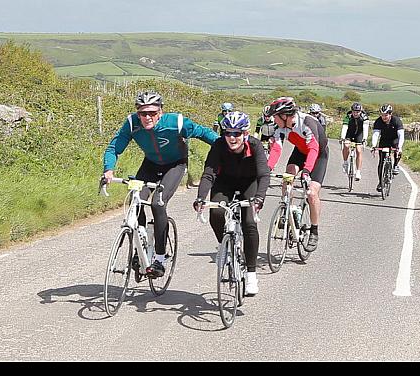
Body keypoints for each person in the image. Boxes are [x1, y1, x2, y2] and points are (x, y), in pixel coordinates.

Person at [103, 90, 219, 277]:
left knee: (158, 203)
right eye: (143, 113)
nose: (147, 117)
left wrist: (227, 149)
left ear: (160, 112)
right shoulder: (132, 124)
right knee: (137, 201)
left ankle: (159, 257)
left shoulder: (176, 123)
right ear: (137, 113)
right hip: (150, 164)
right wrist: (108, 170)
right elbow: (114, 147)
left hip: (175, 165)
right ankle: (139, 250)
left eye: (152, 113)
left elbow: (204, 133)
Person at [193, 111, 270, 296]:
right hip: (224, 183)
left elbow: (263, 175)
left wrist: (259, 198)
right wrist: (201, 197)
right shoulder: (219, 145)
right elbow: (209, 174)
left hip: (249, 184)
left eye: (237, 133)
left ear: (245, 133)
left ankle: (251, 274)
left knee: (250, 223)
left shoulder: (255, 145)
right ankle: (225, 246)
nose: (232, 137)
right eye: (228, 133)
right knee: (217, 213)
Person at [265, 97, 328, 252]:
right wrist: (268, 168)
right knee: (288, 176)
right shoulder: (281, 128)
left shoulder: (306, 122)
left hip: (318, 155)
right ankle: (287, 209)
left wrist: (306, 171)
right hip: (300, 152)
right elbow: (276, 149)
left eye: (275, 116)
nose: (274, 120)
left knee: (312, 193)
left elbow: (313, 149)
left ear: (285, 116)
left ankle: (314, 230)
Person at [371, 104, 404, 192]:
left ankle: (396, 165)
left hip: (394, 139)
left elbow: (401, 135)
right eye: (382, 115)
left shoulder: (396, 120)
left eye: (386, 115)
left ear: (390, 114)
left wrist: (399, 148)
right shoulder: (378, 121)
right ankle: (380, 182)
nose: (384, 117)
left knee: (397, 149)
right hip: (384, 140)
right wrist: (374, 145)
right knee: (381, 162)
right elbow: (376, 134)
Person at [340, 102, 370, 180]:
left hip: (359, 134)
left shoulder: (364, 117)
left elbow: (365, 128)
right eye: (354, 112)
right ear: (351, 111)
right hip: (349, 133)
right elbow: (345, 127)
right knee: (346, 146)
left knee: (359, 150)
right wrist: (343, 137)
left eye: (357, 112)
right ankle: (345, 162)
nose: (355, 113)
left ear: (360, 111)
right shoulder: (348, 116)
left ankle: (358, 171)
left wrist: (364, 139)